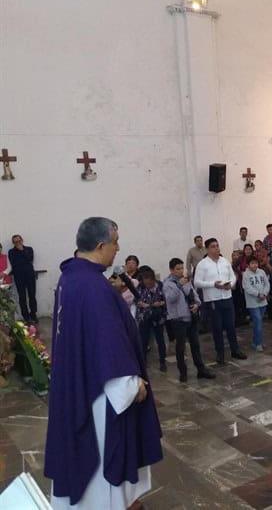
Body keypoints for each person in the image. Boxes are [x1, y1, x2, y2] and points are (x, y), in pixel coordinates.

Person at [44, 217, 162, 510]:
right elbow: (107, 339)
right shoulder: (94, 287)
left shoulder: (70, 277)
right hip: (98, 391)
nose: (117, 249)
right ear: (100, 245)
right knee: (102, 459)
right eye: (115, 242)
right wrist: (132, 385)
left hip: (78, 380)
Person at [194, 238, 247, 365]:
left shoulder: (224, 261)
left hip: (227, 297)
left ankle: (235, 350)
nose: (216, 248)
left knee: (230, 326)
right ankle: (220, 353)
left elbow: (232, 276)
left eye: (217, 246)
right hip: (213, 300)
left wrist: (231, 284)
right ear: (207, 249)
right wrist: (213, 284)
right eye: (213, 246)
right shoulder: (203, 264)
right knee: (217, 328)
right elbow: (197, 282)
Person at [163, 258, 215, 382]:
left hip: (191, 317)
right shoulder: (167, 284)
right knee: (180, 347)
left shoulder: (187, 281)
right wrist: (179, 285)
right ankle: (183, 372)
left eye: (182, 268)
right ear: (171, 270)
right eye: (178, 269)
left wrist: (197, 305)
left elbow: (195, 296)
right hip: (178, 319)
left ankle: (201, 370)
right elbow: (170, 299)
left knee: (196, 345)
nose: (181, 271)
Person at [136, 270, 168, 372]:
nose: (148, 285)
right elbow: (136, 300)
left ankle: (162, 361)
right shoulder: (140, 287)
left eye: (150, 283)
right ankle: (143, 362)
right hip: (144, 316)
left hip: (158, 316)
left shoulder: (161, 286)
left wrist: (159, 303)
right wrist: (141, 303)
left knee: (160, 340)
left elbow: (167, 300)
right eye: (146, 283)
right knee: (143, 340)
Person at [242, 256, 270, 351]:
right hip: (252, 302)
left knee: (258, 322)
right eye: (252, 263)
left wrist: (265, 293)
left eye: (256, 263)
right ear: (248, 265)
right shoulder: (245, 274)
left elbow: (267, 284)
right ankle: (258, 343)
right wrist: (258, 294)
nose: (254, 265)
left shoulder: (261, 272)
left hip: (263, 301)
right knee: (258, 321)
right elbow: (247, 287)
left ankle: (255, 341)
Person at [8, 234, 37, 322]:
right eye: (15, 242)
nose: (18, 243)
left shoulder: (29, 249)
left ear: (22, 240)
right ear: (13, 243)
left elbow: (30, 259)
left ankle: (33, 314)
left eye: (19, 241)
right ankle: (26, 316)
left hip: (30, 276)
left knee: (32, 295)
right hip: (19, 277)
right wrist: (20, 252)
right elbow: (14, 263)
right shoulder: (11, 252)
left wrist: (22, 251)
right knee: (22, 297)